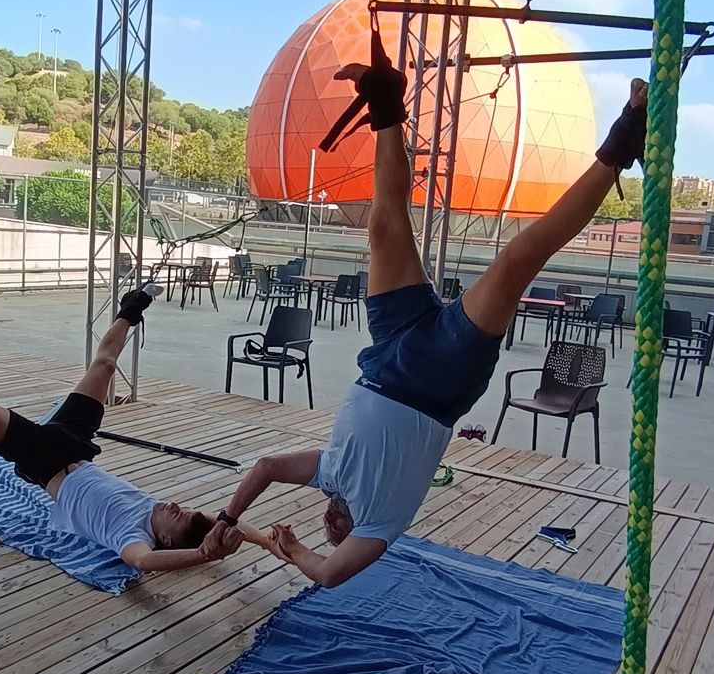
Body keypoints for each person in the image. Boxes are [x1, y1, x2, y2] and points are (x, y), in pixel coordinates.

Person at [205, 59, 649, 588]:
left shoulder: (328, 474)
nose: (327, 526)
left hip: (389, 350)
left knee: (384, 227)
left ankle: (386, 100)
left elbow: (264, 469)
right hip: (439, 379)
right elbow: (328, 576)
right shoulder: (379, 524)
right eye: (334, 534)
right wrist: (296, 549)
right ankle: (624, 140)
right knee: (515, 262)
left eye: (324, 528)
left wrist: (228, 519)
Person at [0, 283, 271, 572]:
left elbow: (145, 562)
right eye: (184, 508)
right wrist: (267, 542)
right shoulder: (164, 514)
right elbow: (224, 522)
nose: (176, 504)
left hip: (42, 457)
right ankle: (131, 309)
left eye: (177, 515)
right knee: (106, 363)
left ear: (168, 537)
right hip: (74, 440)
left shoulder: (132, 536)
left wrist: (201, 555)